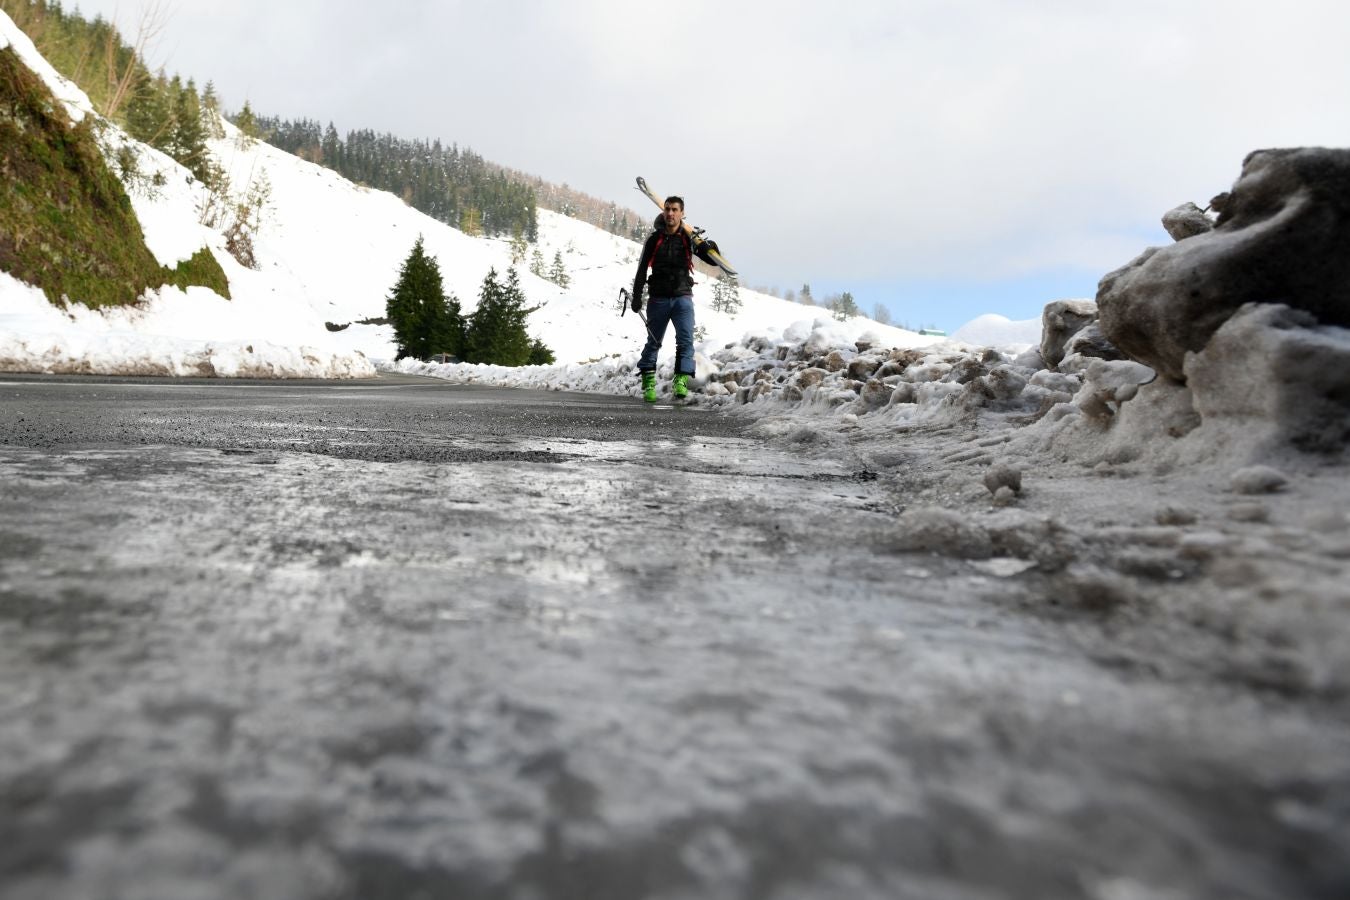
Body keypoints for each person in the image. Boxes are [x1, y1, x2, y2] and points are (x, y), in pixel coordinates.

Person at [630, 195, 720, 402]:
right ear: (664, 212)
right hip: (658, 298)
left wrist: (710, 245)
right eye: (667, 209)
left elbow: (713, 260)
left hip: (682, 297)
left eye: (674, 210)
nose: (670, 213)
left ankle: (680, 381)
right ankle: (649, 383)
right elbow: (642, 268)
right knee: (654, 342)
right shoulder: (654, 239)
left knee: (686, 341)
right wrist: (637, 296)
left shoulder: (689, 238)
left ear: (681, 213)